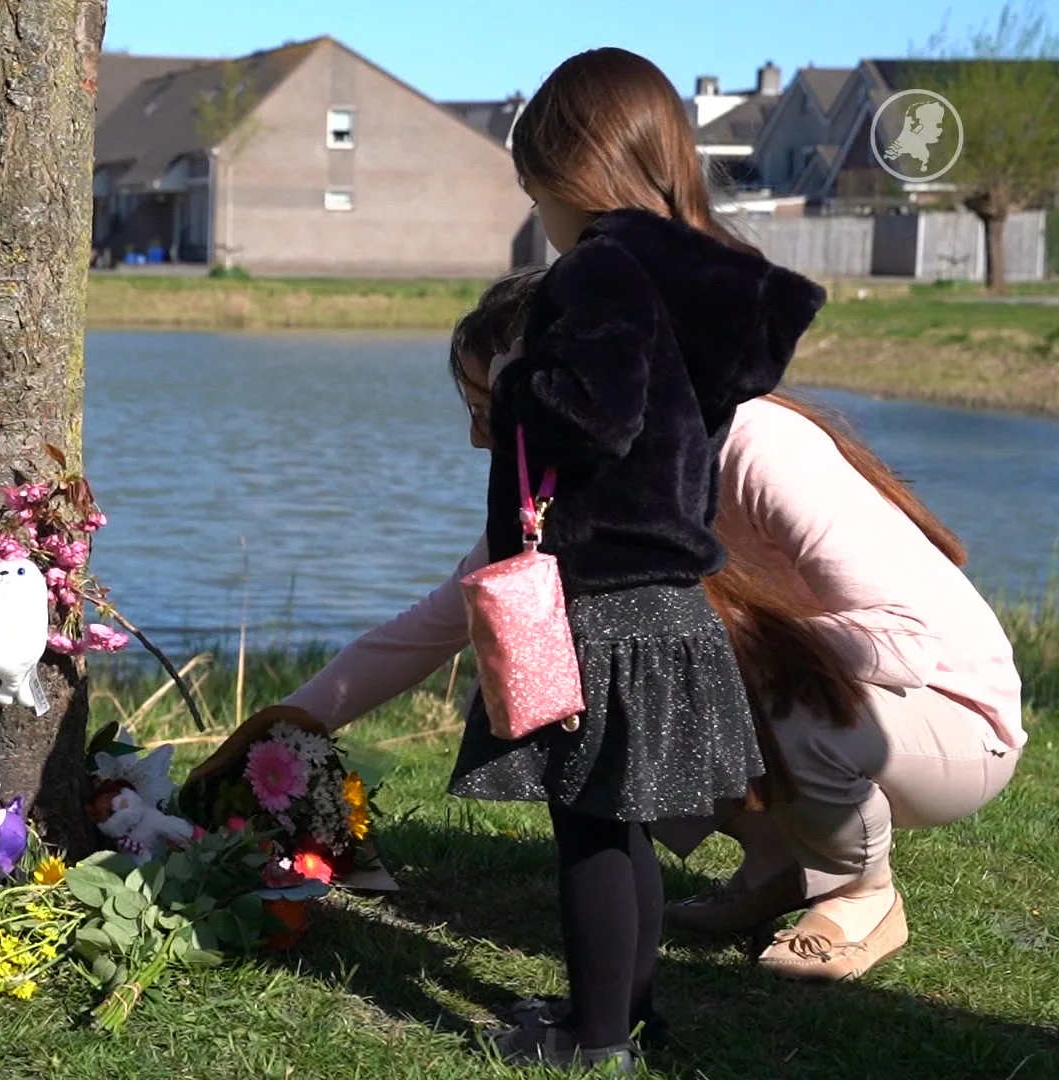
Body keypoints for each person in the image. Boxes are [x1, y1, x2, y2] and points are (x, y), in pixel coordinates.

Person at [303, 46, 822, 1072]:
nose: (536, 206)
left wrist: (518, 371)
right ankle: (627, 1015)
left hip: (591, 599)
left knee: (588, 829)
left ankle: (592, 1042)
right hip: (667, 593)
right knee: (624, 822)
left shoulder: (600, 269)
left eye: (536, 181)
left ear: (576, 167)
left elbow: (601, 410)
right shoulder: (688, 284)